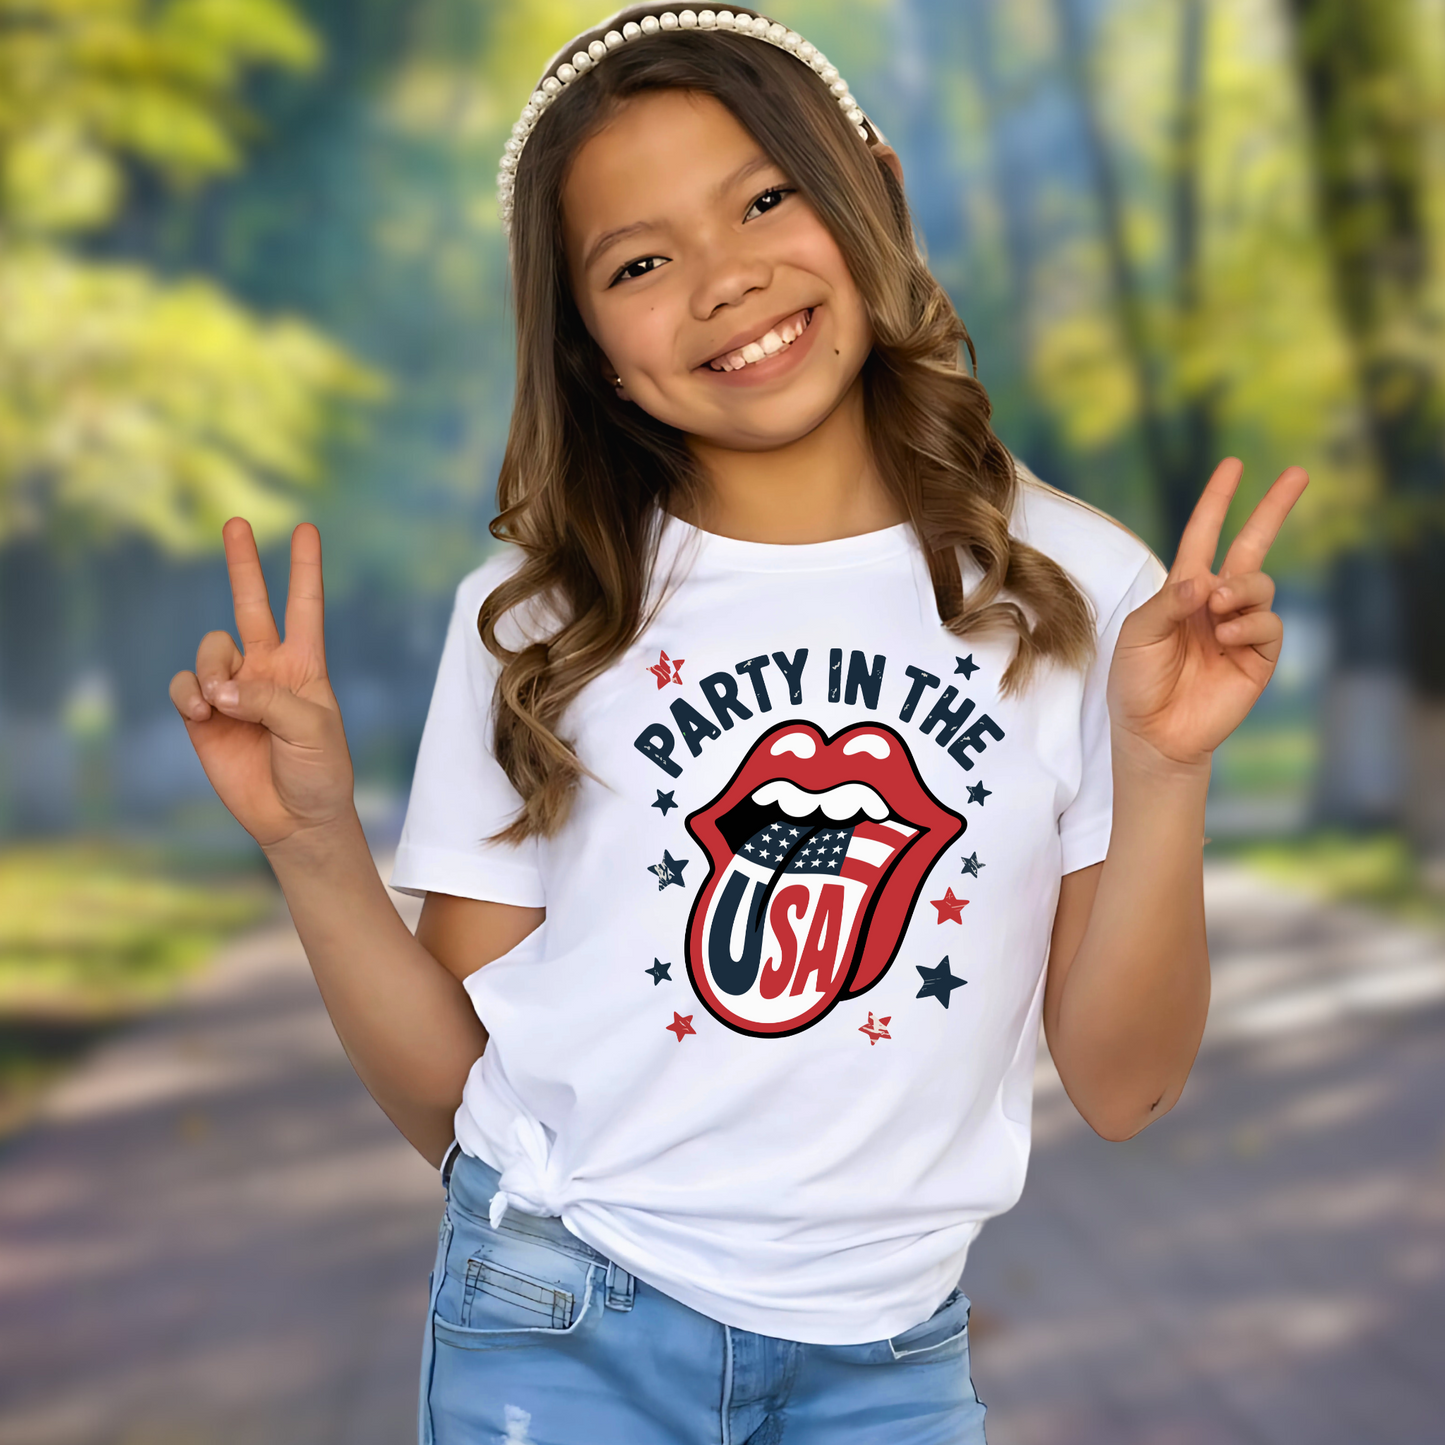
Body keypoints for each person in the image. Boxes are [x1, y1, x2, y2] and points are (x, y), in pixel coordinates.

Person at [169, 7, 1308, 1443]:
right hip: (562, 1320)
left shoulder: (1084, 594)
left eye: (765, 197)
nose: (725, 281)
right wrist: (317, 846)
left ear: (873, 194)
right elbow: (463, 1108)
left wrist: (1165, 771)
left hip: (891, 1360)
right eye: (639, 263)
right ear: (587, 343)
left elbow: (1128, 1088)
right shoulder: (535, 626)